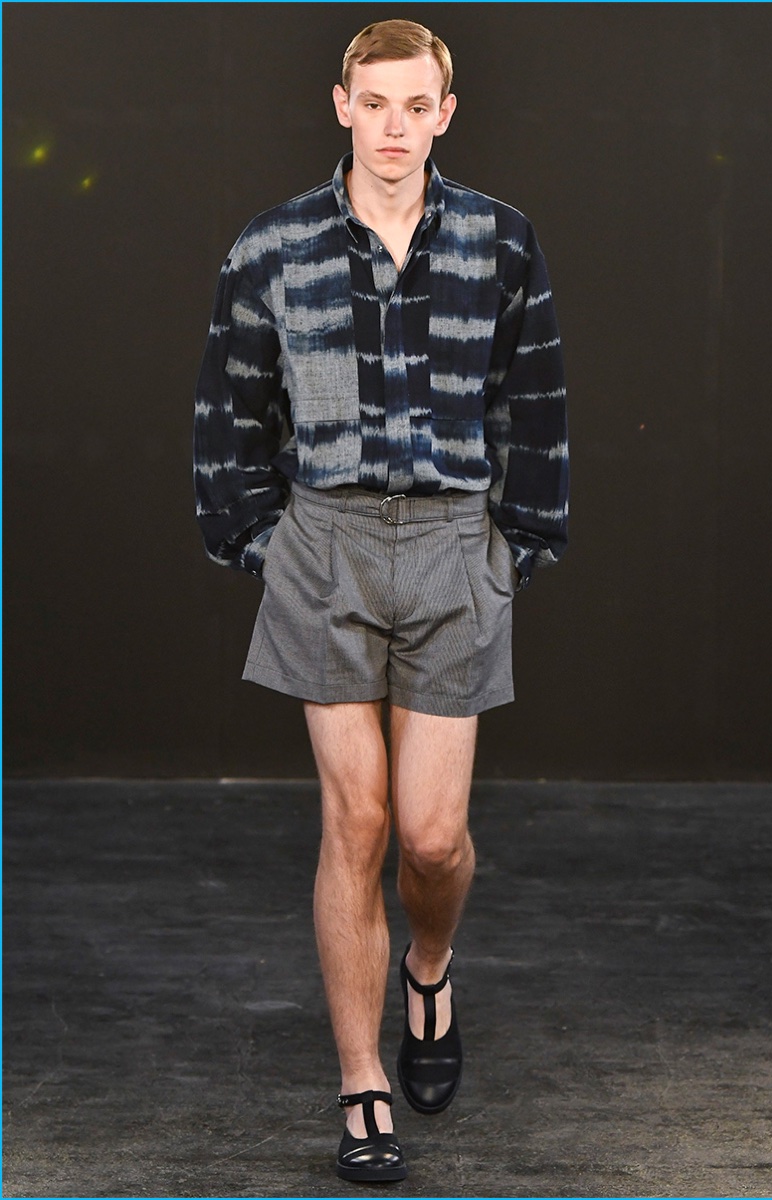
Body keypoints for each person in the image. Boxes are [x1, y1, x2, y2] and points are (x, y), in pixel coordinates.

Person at [193, 18, 568, 1183]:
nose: (394, 127)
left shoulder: (501, 241)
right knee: (353, 823)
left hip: (454, 544)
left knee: (430, 838)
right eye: (375, 103)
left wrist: (513, 548)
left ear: (443, 113)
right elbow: (229, 401)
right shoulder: (274, 246)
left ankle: (428, 969)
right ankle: (361, 1080)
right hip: (327, 542)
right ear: (341, 105)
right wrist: (264, 541)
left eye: (416, 106)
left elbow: (532, 398)